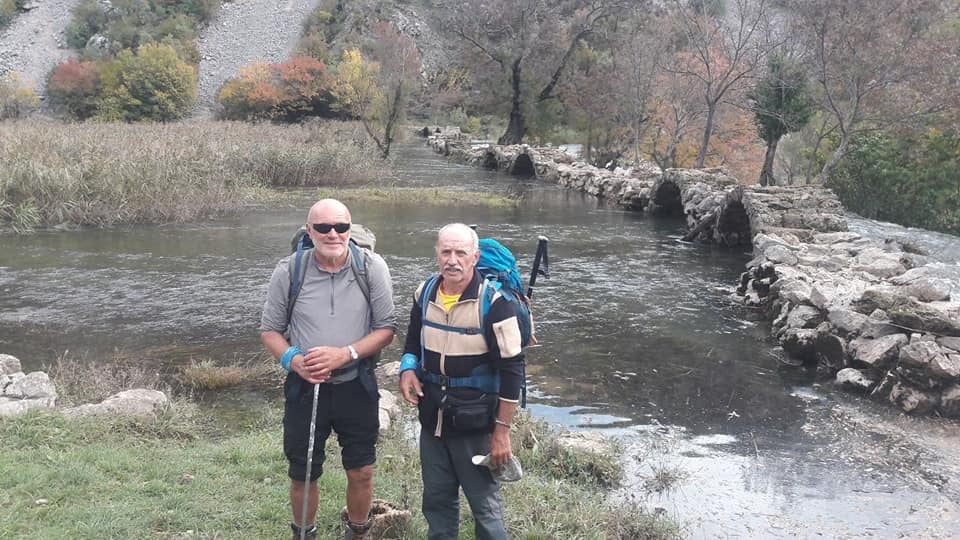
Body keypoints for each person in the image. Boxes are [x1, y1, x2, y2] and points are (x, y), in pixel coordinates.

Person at [260, 199, 396, 540]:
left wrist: (345, 354)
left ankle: (358, 533)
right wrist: (293, 360)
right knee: (303, 472)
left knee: (362, 470)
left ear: (351, 230)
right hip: (305, 389)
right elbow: (270, 330)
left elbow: (386, 329)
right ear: (310, 231)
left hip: (356, 384)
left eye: (341, 227)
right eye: (323, 228)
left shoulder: (372, 267)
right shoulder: (289, 270)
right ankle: (304, 534)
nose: (332, 234)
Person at [398, 223, 525, 539]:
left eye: (460, 253)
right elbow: (413, 338)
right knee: (437, 503)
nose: (452, 260)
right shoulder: (424, 292)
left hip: (476, 427)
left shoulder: (496, 305)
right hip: (432, 421)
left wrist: (502, 434)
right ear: (437, 254)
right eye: (446, 252)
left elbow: (513, 371)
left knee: (485, 509)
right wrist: (408, 368)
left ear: (474, 257)